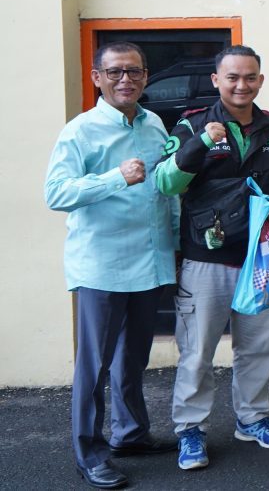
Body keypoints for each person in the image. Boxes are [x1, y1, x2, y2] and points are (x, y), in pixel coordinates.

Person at [45, 42, 178, 489]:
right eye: (116, 72)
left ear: (145, 77)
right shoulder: (80, 131)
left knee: (132, 360)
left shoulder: (155, 124)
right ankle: (90, 452)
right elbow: (56, 194)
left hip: (149, 262)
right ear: (97, 77)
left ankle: (131, 434)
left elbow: (166, 189)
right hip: (101, 267)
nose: (126, 79)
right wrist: (114, 177)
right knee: (94, 367)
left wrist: (177, 242)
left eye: (135, 72)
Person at [154, 45, 269, 470]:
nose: (241, 85)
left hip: (256, 259)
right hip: (204, 260)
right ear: (216, 80)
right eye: (232, 77)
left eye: (249, 77)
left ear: (260, 81)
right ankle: (190, 430)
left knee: (257, 348)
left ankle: (252, 419)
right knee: (197, 351)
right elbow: (165, 181)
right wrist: (200, 142)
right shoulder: (193, 124)